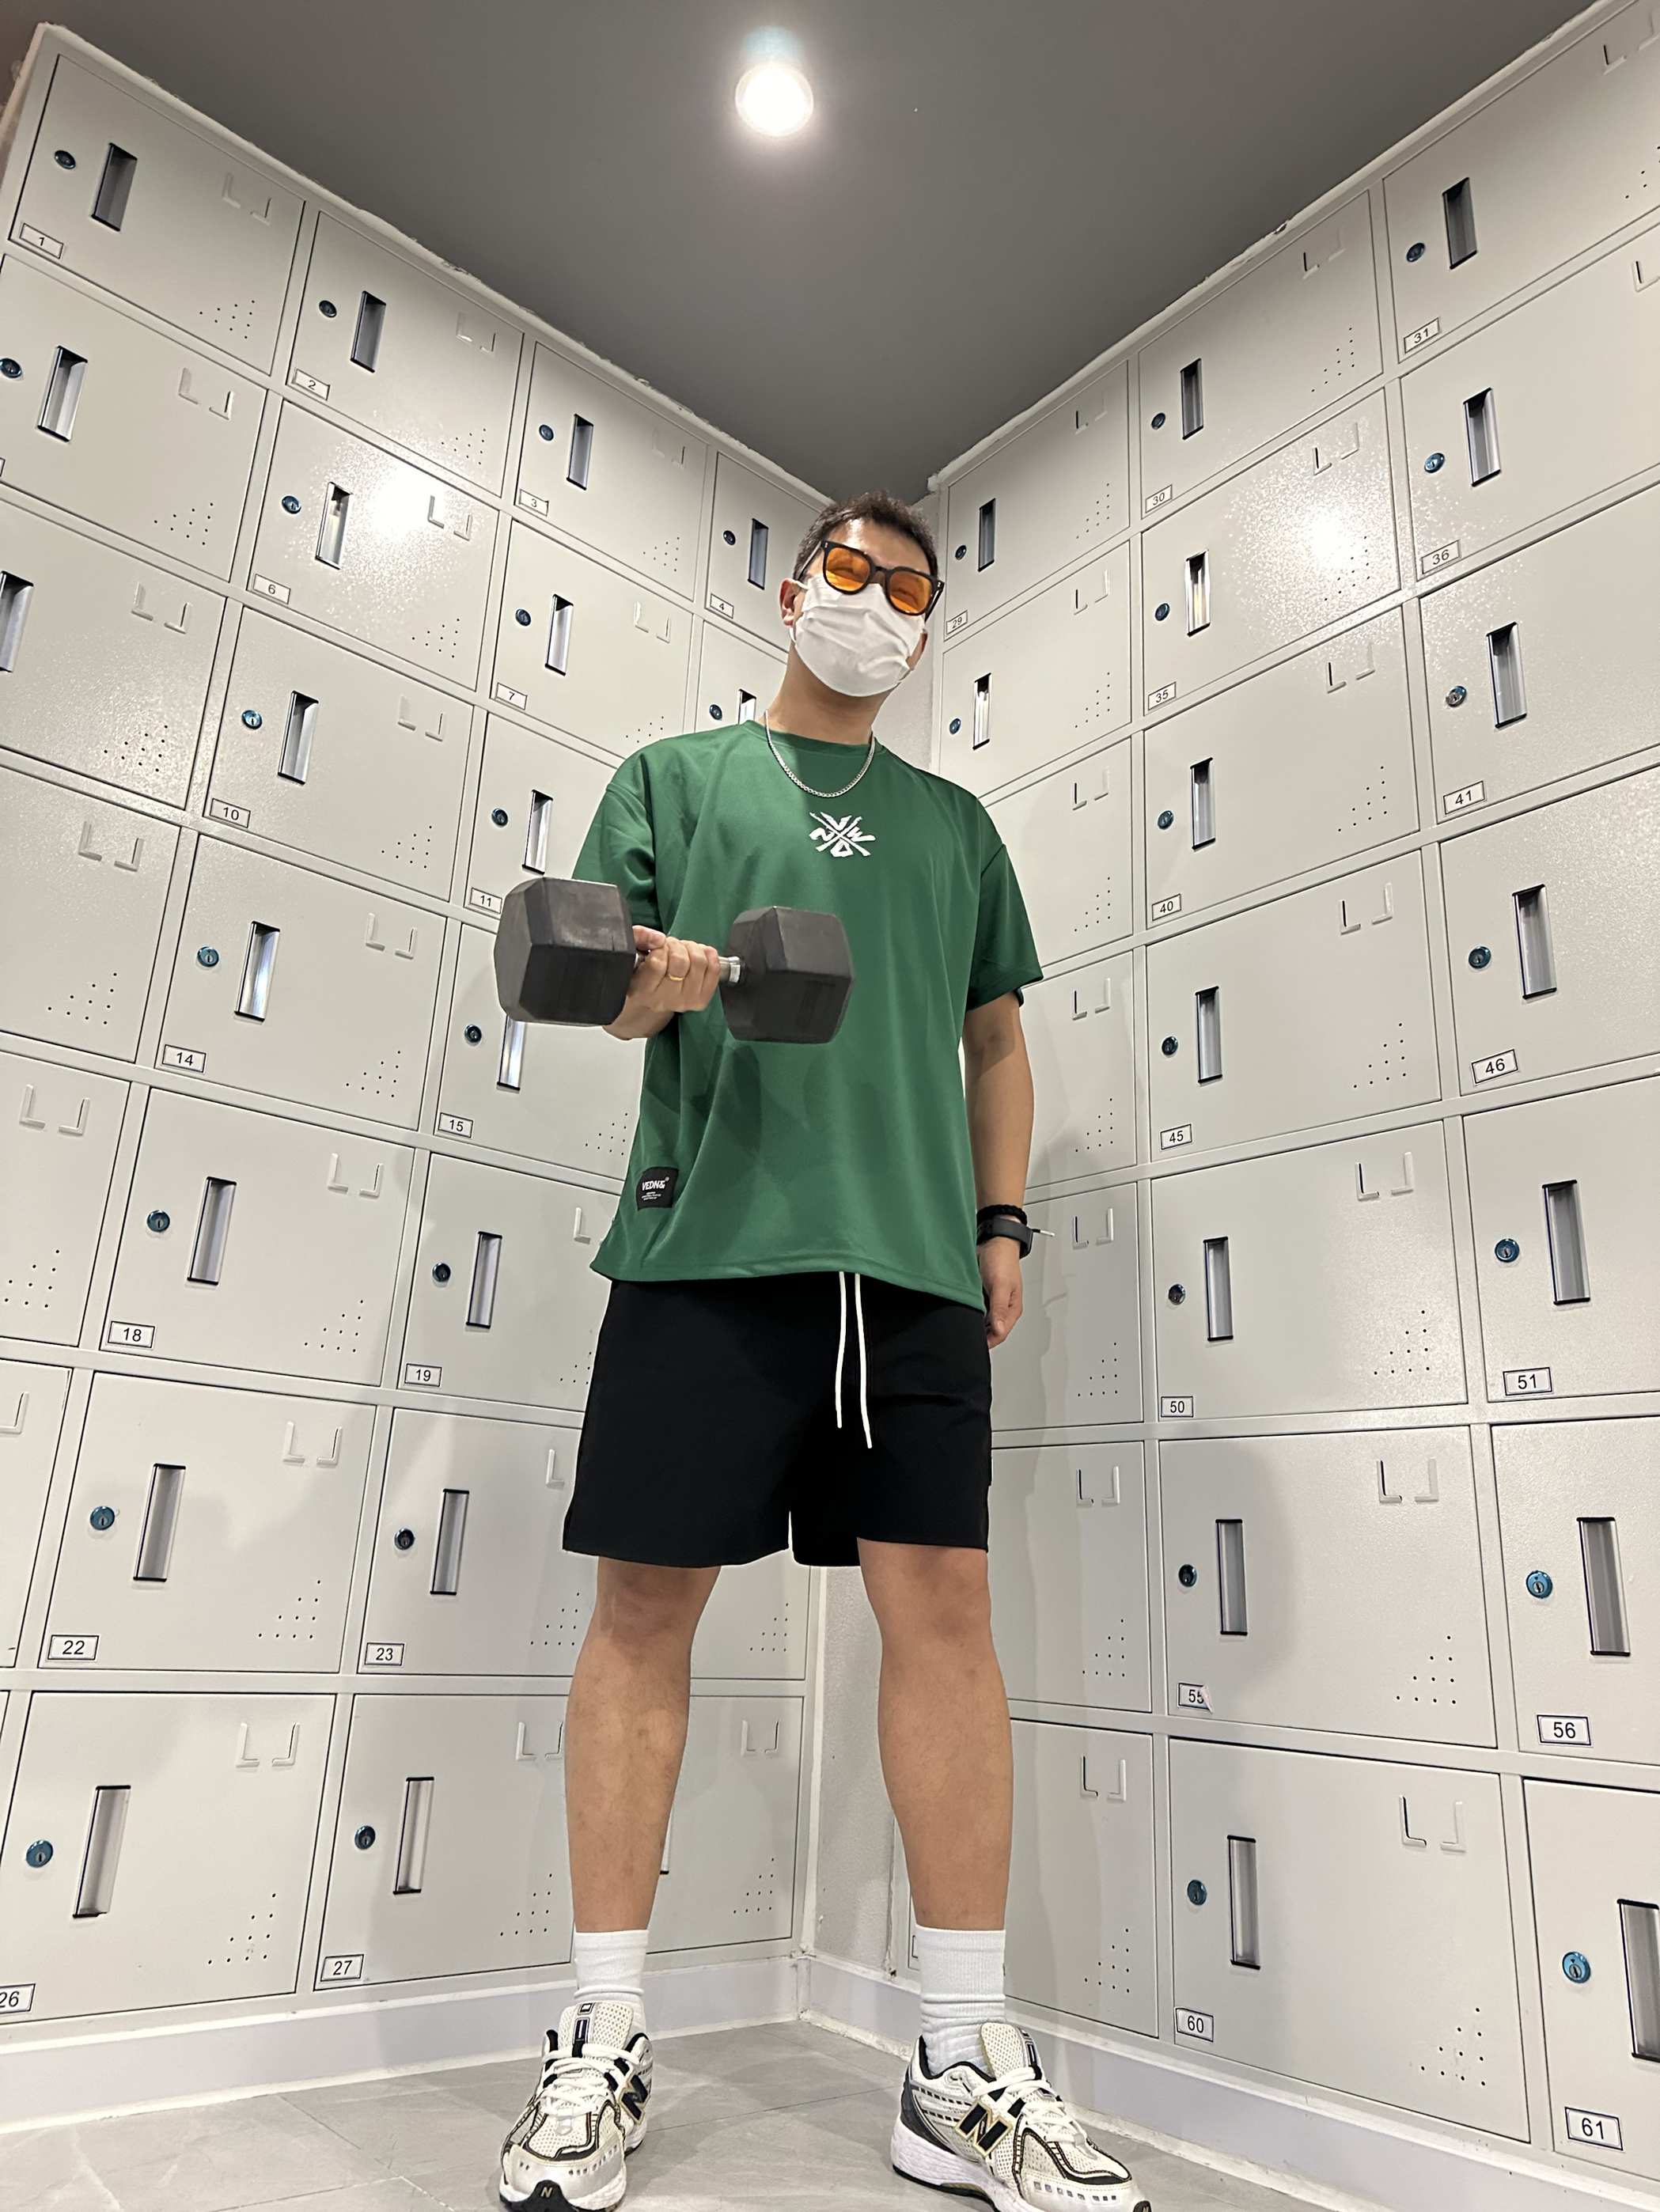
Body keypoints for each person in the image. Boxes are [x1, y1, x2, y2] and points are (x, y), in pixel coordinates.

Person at [498, 491, 1146, 2212]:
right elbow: (608, 992)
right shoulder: (674, 778)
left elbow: (992, 1039)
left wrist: (999, 1225)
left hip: (910, 1270)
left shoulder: (955, 824)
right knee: (646, 1611)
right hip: (706, 1251)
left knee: (944, 1617)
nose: (874, 605)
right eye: (848, 573)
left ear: (927, 628)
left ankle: (957, 2062)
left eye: (907, 589)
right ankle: (600, 2035)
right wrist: (668, 982)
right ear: (792, 591)